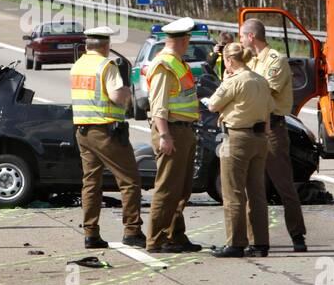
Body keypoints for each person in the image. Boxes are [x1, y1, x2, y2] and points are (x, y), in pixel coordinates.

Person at [69, 25, 145, 250]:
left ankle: (90, 233)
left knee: (91, 183)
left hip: (83, 131)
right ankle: (132, 230)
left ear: (87, 45)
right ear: (106, 46)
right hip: (106, 131)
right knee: (130, 180)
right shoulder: (107, 65)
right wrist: (126, 91)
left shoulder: (77, 66)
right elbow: (115, 96)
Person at [240, 19, 309, 252]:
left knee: (283, 185)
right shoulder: (250, 60)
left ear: (251, 37)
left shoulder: (275, 60)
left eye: (241, 37)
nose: (240, 42)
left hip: (272, 130)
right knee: (253, 187)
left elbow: (263, 90)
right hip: (251, 126)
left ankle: (297, 235)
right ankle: (255, 240)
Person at [205, 43, 273, 257]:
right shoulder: (261, 80)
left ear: (230, 60)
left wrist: (225, 81)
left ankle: (235, 242)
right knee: (257, 193)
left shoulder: (234, 81)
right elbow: (269, 110)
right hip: (260, 137)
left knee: (233, 191)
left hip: (236, 137)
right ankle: (260, 243)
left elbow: (212, 105)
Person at [145, 17, 203, 253]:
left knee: (182, 188)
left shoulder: (177, 63)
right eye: (189, 39)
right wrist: (164, 135)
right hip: (172, 130)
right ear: (185, 39)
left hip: (184, 130)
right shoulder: (164, 65)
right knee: (168, 188)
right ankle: (156, 239)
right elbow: (158, 105)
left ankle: (175, 235)